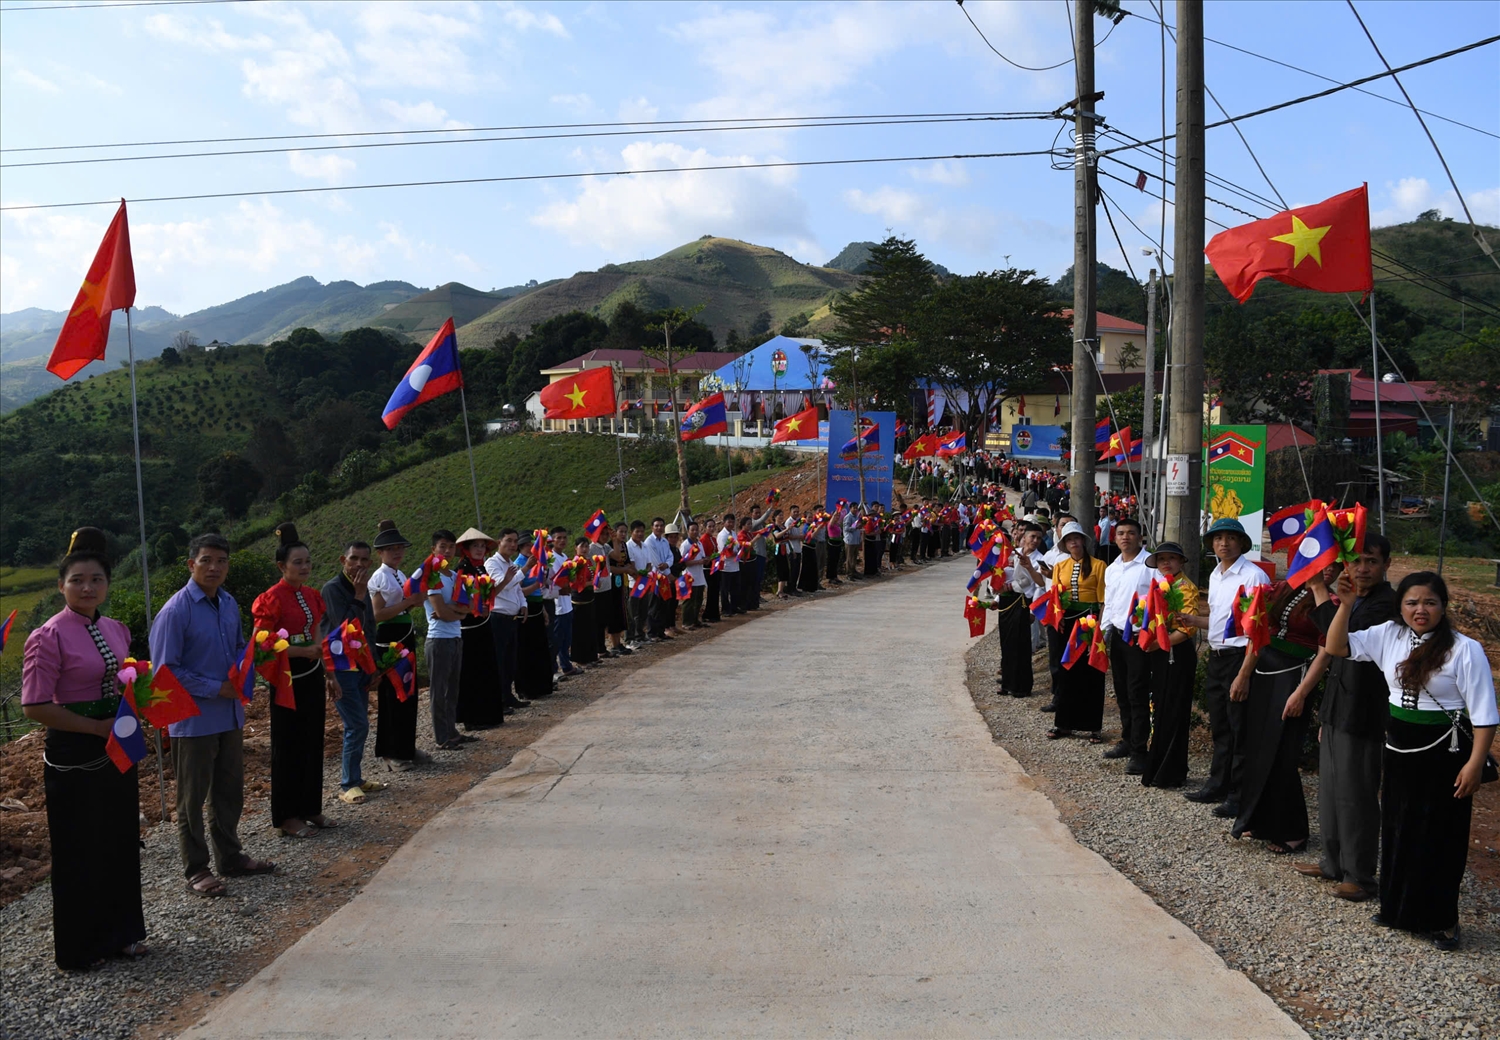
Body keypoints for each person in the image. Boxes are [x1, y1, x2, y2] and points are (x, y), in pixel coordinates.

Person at [1324, 571, 1497, 950]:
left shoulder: (1464, 649)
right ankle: (1397, 909)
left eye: (1430, 602)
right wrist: (1347, 605)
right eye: (1412, 602)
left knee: (1441, 835)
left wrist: (1474, 764)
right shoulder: (1389, 634)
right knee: (1399, 826)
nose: (1421, 610)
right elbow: (1337, 647)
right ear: (1400, 606)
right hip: (1400, 747)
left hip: (1445, 753)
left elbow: (1484, 714)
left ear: (1443, 607)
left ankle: (1441, 921)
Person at [21, 527, 149, 968]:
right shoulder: (47, 636)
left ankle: (124, 933)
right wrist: (94, 728)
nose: (88, 587)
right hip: (76, 749)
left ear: (108, 584)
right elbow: (35, 705)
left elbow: (126, 680)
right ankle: (81, 948)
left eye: (96, 579)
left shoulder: (116, 629)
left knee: (118, 839)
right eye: (77, 579)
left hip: (118, 741)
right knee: (80, 847)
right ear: (61, 586)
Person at [152, 533, 274, 898]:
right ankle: (196, 868)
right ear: (191, 565)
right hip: (193, 721)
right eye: (206, 560)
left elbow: (238, 649)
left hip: (230, 716)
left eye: (221, 561)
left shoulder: (229, 603)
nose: (214, 568)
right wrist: (215, 687)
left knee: (228, 792)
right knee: (191, 799)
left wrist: (252, 662)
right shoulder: (175, 611)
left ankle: (231, 856)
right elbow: (164, 671)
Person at [1295, 535, 1397, 900]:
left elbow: (1343, 640)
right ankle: (1333, 863)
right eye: (1356, 561)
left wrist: (1320, 589)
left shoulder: (1386, 605)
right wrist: (1325, 714)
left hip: (1365, 713)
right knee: (1331, 792)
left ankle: (1360, 875)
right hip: (1338, 707)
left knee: (1357, 796)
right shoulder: (1356, 601)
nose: (1363, 568)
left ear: (1386, 564)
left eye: (1371, 561)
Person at [1230, 562, 1336, 855]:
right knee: (1258, 747)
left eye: (1336, 565)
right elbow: (1258, 630)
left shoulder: (1332, 602)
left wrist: (1302, 692)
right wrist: (1244, 673)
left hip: (1297, 675)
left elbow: (1325, 652)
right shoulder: (1279, 589)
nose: (1330, 570)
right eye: (1324, 563)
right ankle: (1259, 819)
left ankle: (1293, 829)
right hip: (1265, 669)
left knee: (1283, 752)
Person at [1180, 517, 1270, 817]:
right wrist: (1195, 621)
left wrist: (1245, 674)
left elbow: (1258, 632)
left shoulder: (1254, 577)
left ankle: (1239, 794)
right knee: (1221, 727)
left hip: (1241, 659)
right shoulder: (1217, 575)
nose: (1224, 543)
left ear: (1242, 543)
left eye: (1231, 538)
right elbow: (1222, 621)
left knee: (1240, 729)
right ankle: (1217, 784)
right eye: (1218, 538)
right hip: (1217, 657)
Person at [250, 523, 332, 837]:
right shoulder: (271, 599)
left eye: (307, 561)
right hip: (286, 676)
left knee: (313, 740)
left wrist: (325, 666)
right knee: (288, 743)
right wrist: (301, 651)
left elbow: (317, 633)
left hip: (312, 673)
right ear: (281, 566)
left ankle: (311, 807)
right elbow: (262, 643)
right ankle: (287, 815)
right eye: (297, 562)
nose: (304, 567)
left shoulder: (311, 595)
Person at [323, 540, 385, 803]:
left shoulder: (362, 588)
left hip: (361, 666)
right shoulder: (333, 590)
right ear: (342, 560)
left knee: (361, 723)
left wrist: (375, 665)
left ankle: (356, 778)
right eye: (353, 559)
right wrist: (359, 596)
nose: (359, 564)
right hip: (341, 667)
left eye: (364, 560)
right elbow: (343, 628)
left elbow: (368, 628)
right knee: (356, 724)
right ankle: (347, 784)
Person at [368, 520, 434, 764]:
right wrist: (408, 602)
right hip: (390, 641)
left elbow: (408, 602)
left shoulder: (400, 574)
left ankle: (406, 747)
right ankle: (392, 751)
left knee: (408, 692)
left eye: (399, 547)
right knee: (394, 693)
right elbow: (377, 614)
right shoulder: (379, 577)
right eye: (390, 548)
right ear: (380, 553)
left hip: (405, 636)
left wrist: (418, 597)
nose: (397, 552)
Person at [1139, 542, 1200, 789]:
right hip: (1160, 652)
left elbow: (1188, 629)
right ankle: (1155, 764)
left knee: (1173, 711)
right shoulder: (1160, 586)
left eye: (1171, 558)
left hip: (1176, 652)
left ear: (1181, 562)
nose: (1166, 563)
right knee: (1158, 708)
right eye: (1161, 559)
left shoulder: (1186, 588)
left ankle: (1170, 771)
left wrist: (1157, 644)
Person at [1100, 518, 1157, 773]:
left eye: (1131, 533)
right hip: (1118, 637)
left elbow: (1159, 599)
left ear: (1140, 537)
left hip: (1139, 638)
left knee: (1137, 694)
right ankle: (1126, 739)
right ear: (1115, 538)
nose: (1126, 537)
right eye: (1121, 533)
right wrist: (1103, 632)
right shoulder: (1113, 568)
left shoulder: (1150, 565)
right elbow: (1110, 603)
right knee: (1121, 692)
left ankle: (1139, 750)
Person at [1044, 522, 1105, 741]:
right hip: (1066, 622)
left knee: (1091, 672)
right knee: (1066, 671)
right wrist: (1057, 618)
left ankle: (1093, 726)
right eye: (1069, 540)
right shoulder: (1060, 566)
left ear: (1083, 541)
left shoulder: (1098, 565)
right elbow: (1055, 595)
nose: (1073, 543)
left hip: (1089, 622)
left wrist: (1099, 625)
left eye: (1076, 539)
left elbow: (1102, 600)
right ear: (1065, 544)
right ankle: (1064, 723)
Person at [423, 529, 469, 749]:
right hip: (439, 639)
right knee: (439, 691)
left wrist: (455, 611)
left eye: (451, 547)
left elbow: (468, 608)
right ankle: (442, 737)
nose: (448, 551)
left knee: (453, 689)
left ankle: (452, 731)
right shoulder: (432, 574)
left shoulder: (453, 576)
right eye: (443, 546)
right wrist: (455, 611)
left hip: (455, 636)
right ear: (434, 549)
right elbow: (441, 612)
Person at [995, 524, 1044, 698]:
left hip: (1024, 601)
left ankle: (1022, 686)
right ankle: (1007, 682)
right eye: (1032, 537)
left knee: (1021, 644)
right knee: (1006, 641)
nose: (1035, 541)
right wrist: (997, 597)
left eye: (1039, 538)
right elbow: (1001, 574)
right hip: (1007, 600)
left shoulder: (1040, 559)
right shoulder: (1012, 553)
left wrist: (1033, 610)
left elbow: (1039, 586)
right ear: (1025, 536)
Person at [485, 529, 531, 708]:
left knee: (510, 659)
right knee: (500, 659)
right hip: (498, 616)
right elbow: (501, 585)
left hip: (512, 616)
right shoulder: (492, 563)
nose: (512, 545)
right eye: (509, 541)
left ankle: (508, 695)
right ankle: (500, 699)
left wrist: (523, 604)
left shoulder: (510, 563)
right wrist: (525, 570)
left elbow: (516, 587)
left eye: (515, 541)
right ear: (499, 542)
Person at [603, 523, 636, 651]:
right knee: (613, 612)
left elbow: (626, 562)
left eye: (625, 532)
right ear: (615, 532)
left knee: (620, 611)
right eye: (620, 531)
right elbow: (609, 566)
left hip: (621, 581)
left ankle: (619, 642)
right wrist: (624, 569)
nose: (623, 534)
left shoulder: (624, 545)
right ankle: (613, 643)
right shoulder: (610, 546)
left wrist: (629, 570)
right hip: (612, 581)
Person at [570, 535, 599, 667]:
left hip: (590, 598)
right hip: (579, 600)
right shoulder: (575, 563)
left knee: (590, 627)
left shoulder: (588, 561)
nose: (585, 549)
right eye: (582, 546)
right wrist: (590, 583)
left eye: (586, 546)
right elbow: (574, 583)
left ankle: (591, 655)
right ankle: (581, 658)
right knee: (580, 630)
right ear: (576, 548)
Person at [678, 521, 707, 629]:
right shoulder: (685, 545)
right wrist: (698, 562)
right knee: (689, 600)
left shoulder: (699, 543)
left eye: (696, 529)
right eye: (692, 530)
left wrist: (706, 560)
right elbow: (682, 562)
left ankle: (695, 619)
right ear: (688, 531)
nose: (695, 532)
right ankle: (686, 622)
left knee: (698, 598)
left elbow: (703, 557)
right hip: (689, 575)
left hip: (699, 575)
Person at [716, 514, 741, 616]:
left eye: (732, 522)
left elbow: (737, 546)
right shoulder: (722, 535)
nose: (731, 524)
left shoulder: (734, 533)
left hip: (735, 565)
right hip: (726, 566)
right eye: (729, 522)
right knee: (725, 589)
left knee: (735, 588)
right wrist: (735, 553)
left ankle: (734, 607)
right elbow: (723, 552)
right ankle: (725, 609)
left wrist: (740, 551)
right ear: (724, 523)